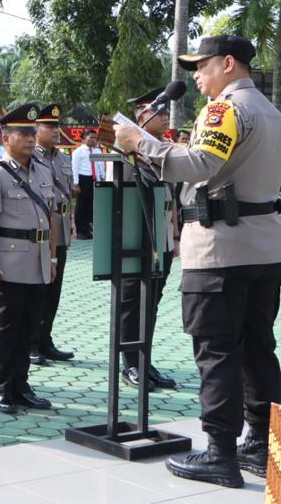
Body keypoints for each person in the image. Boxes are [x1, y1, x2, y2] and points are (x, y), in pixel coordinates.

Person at [115, 35, 281, 489]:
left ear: (228, 64)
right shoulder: (270, 111)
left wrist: (140, 142)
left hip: (220, 251)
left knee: (217, 352)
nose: (197, 76)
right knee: (257, 349)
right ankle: (260, 446)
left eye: (202, 66)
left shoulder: (225, 109)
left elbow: (202, 163)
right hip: (265, 249)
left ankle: (220, 453)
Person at [0, 103, 58, 416]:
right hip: (9, 264)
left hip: (37, 262)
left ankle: (21, 386)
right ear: (5, 138)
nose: (30, 138)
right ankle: (1, 387)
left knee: (28, 328)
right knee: (6, 328)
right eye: (22, 133)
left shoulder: (43, 170)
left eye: (32, 132)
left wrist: (51, 259)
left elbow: (50, 217)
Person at [113, 86, 179, 392]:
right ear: (143, 115)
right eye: (161, 112)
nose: (166, 118)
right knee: (132, 302)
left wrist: (174, 236)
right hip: (135, 241)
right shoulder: (125, 154)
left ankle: (144, 359)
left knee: (150, 302)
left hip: (160, 239)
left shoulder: (162, 150)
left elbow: (171, 198)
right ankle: (130, 365)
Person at [30, 104, 75, 366]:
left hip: (61, 231)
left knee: (54, 289)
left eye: (57, 126)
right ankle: (32, 341)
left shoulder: (63, 158)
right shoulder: (31, 158)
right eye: (49, 126)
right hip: (40, 231)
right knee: (39, 288)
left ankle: (46, 339)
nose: (56, 131)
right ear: (36, 129)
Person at [71, 130, 104, 239]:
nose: (94, 139)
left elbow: (100, 165)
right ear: (84, 138)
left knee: (91, 205)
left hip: (94, 179)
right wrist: (75, 183)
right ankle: (80, 231)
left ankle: (87, 230)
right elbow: (74, 168)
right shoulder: (78, 151)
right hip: (83, 179)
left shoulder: (98, 151)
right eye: (91, 137)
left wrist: (102, 177)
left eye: (95, 137)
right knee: (81, 205)